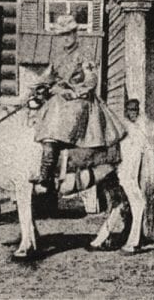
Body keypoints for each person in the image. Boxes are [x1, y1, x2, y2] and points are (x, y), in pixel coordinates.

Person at [29, 14, 123, 187]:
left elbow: (91, 81)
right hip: (60, 100)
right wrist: (37, 89)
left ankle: (47, 167)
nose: (65, 38)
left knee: (56, 110)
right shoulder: (58, 57)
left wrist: (71, 92)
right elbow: (46, 78)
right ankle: (46, 158)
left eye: (68, 34)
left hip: (80, 100)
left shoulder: (84, 55)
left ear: (75, 34)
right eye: (61, 35)